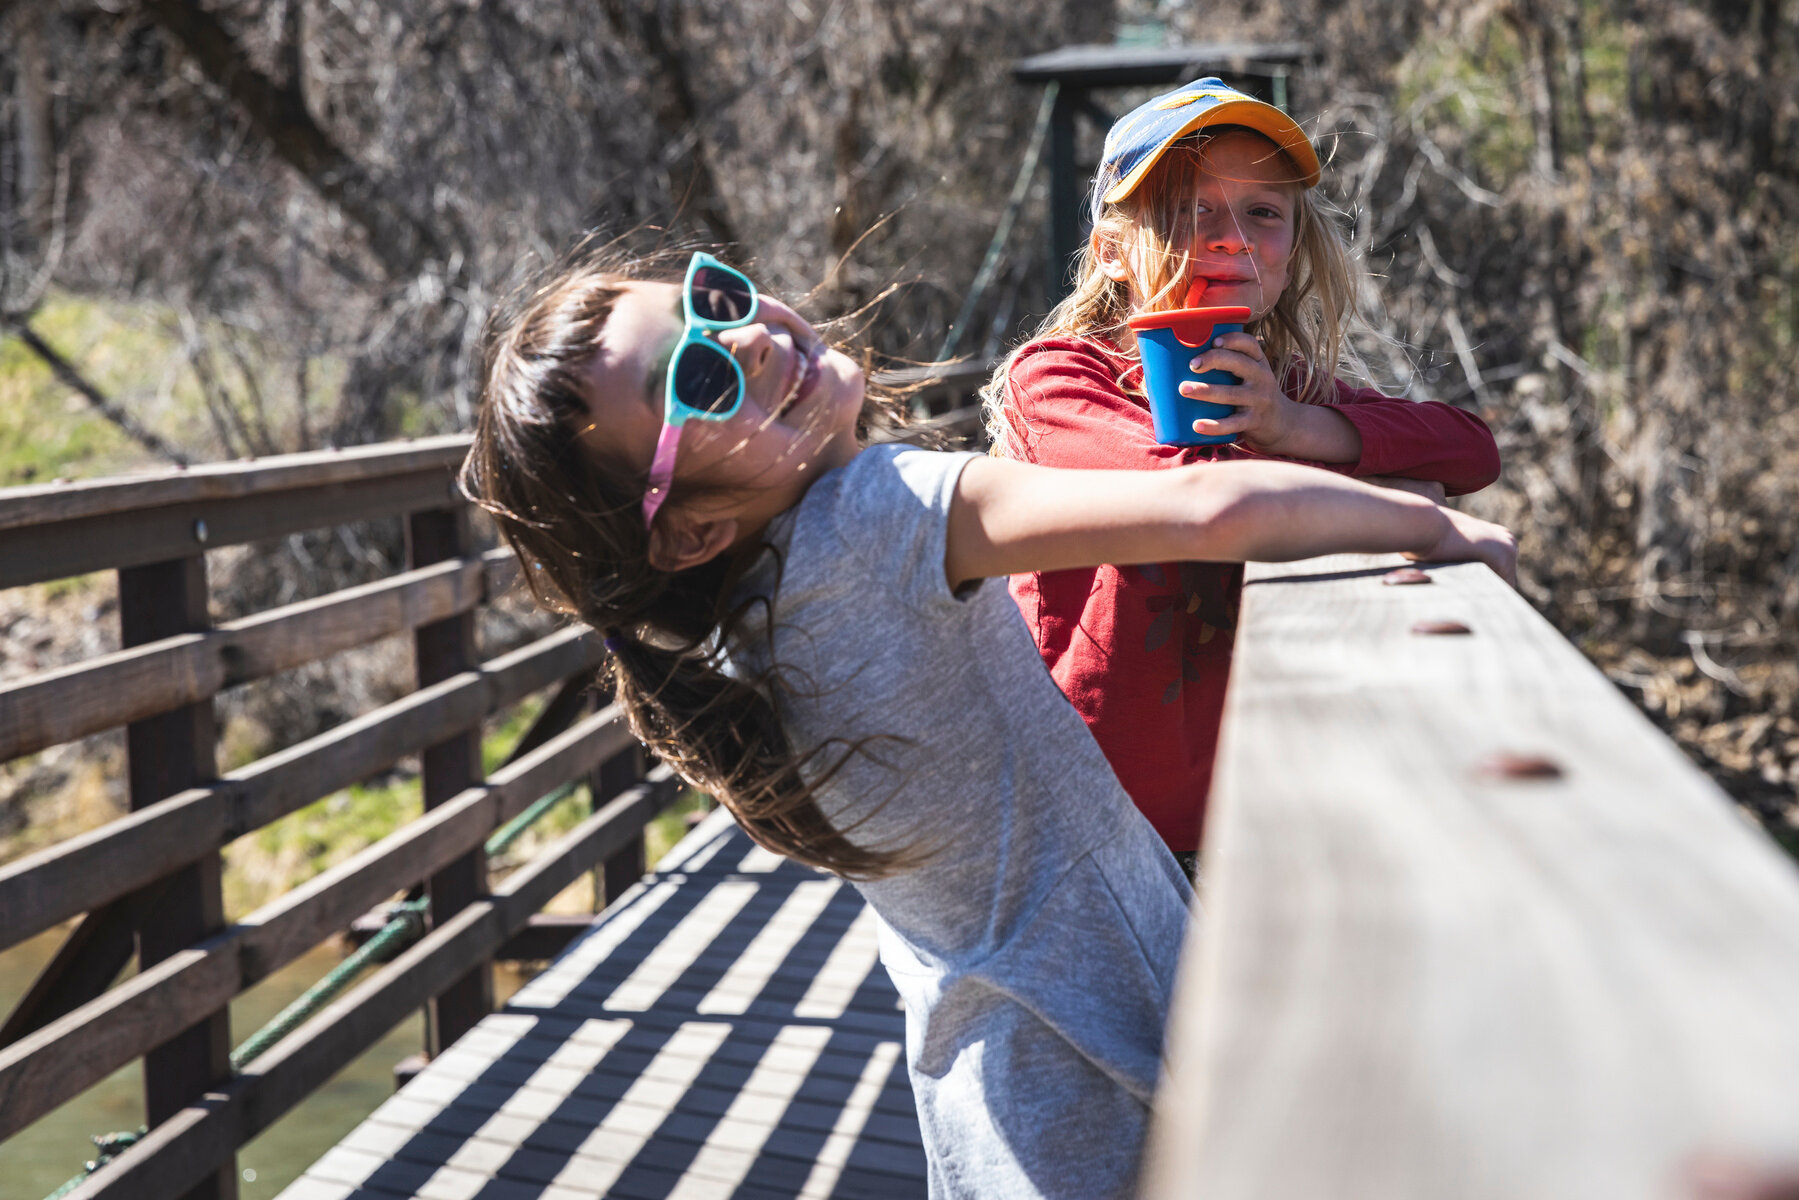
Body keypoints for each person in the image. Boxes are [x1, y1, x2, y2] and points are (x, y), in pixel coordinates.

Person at [459, 242, 1516, 1199]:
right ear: (688, 532)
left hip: (997, 1106)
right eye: (696, 379)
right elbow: (1213, 511)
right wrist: (1433, 527)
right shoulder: (874, 516)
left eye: (714, 298)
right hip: (1117, 1085)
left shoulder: (745, 630)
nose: (745, 337)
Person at [983, 78, 1506, 870]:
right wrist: (1400, 501)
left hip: (1256, 811)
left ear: (1290, 250)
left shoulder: (1279, 386)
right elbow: (1191, 493)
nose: (1231, 238)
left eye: (1263, 212)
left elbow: (1468, 451)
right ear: (1112, 252)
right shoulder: (1058, 379)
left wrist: (1292, 425)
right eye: (1188, 209)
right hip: (1087, 828)